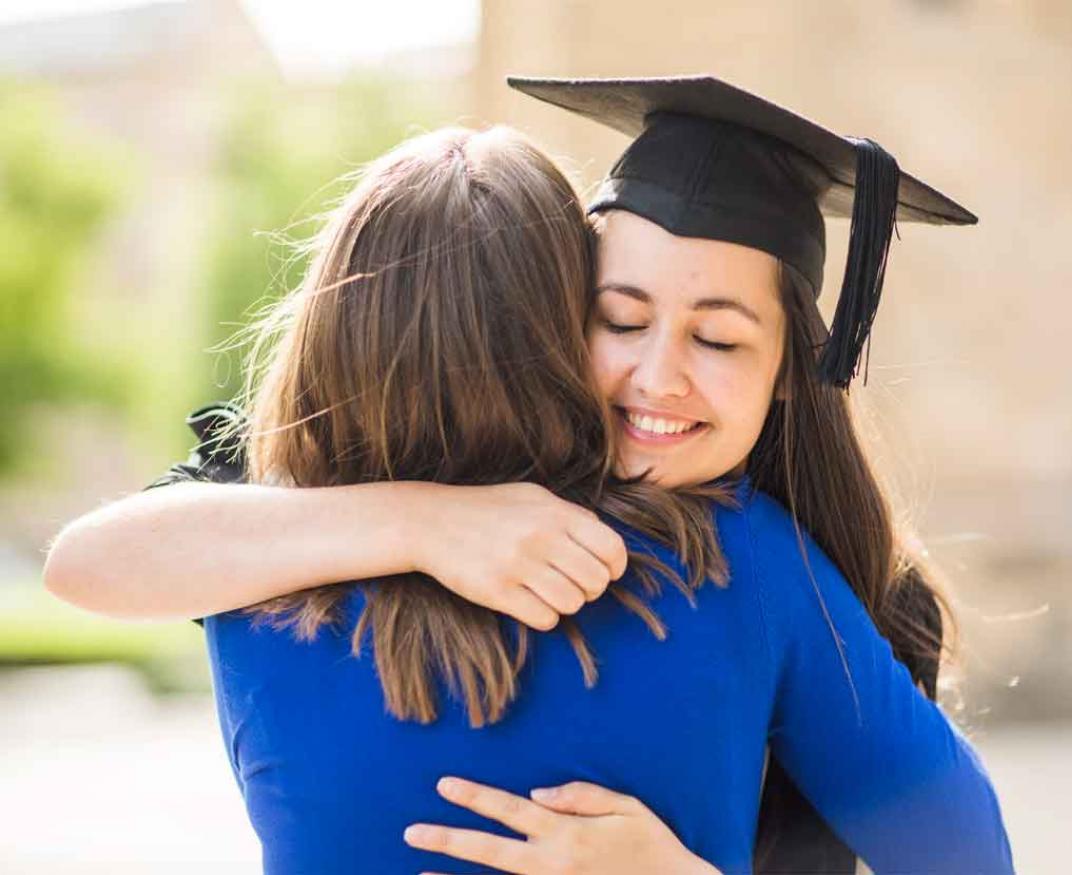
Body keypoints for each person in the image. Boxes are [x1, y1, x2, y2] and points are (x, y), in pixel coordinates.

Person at [44, 80, 1014, 874]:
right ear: (545, 323)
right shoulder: (748, 561)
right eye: (618, 318)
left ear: (790, 376)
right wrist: (419, 520)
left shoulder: (257, 566)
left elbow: (95, 559)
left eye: (718, 337)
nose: (658, 374)